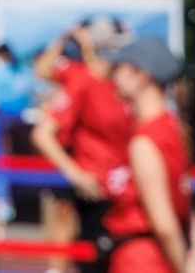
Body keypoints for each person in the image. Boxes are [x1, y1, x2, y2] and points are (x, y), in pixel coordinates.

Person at [33, 27, 134, 272]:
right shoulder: (80, 77)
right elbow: (42, 71)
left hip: (119, 186)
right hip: (87, 174)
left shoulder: (121, 86)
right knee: (64, 216)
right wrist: (64, 39)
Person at [99, 36, 192, 273]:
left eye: (120, 69)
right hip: (157, 258)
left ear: (143, 76)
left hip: (141, 260)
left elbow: (163, 224)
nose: (113, 76)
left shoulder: (145, 140)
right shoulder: (173, 127)